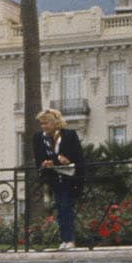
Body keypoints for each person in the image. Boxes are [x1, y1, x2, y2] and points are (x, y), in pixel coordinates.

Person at [33, 107, 84, 249]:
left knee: (66, 207)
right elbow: (38, 158)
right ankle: (64, 239)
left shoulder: (69, 135)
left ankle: (70, 240)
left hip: (69, 177)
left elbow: (78, 157)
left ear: (55, 122)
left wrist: (65, 161)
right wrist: (45, 163)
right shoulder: (39, 138)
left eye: (46, 123)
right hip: (53, 178)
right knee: (60, 208)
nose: (44, 126)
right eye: (42, 123)